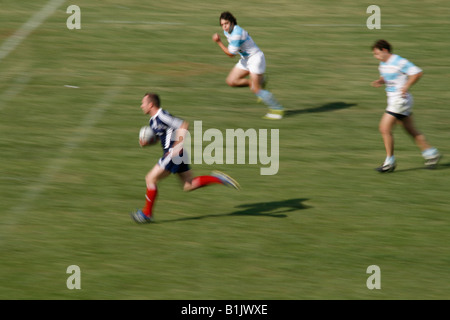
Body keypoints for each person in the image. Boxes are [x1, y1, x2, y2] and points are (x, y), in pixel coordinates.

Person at [131, 92, 240, 223]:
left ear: (151, 104)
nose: (141, 106)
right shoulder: (153, 121)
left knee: (150, 178)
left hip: (173, 154)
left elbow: (184, 125)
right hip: (177, 154)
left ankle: (146, 214)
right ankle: (217, 178)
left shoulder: (162, 116)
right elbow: (161, 136)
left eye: (143, 103)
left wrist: (177, 146)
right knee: (188, 185)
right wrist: (148, 142)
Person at [371, 39, 441, 173]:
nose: (376, 56)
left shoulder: (399, 61)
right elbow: (389, 77)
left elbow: (417, 73)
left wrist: (406, 86)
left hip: (400, 100)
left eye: (377, 53)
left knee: (384, 128)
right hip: (394, 101)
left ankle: (389, 162)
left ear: (385, 50)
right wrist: (380, 81)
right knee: (410, 130)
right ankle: (431, 153)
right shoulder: (383, 64)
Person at [212, 11, 284, 120]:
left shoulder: (237, 33)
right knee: (231, 81)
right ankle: (259, 82)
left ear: (232, 22)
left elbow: (231, 55)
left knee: (256, 89)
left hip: (255, 59)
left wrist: (219, 42)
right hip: (246, 59)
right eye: (222, 24)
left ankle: (277, 109)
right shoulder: (228, 31)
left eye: (226, 23)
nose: (224, 27)